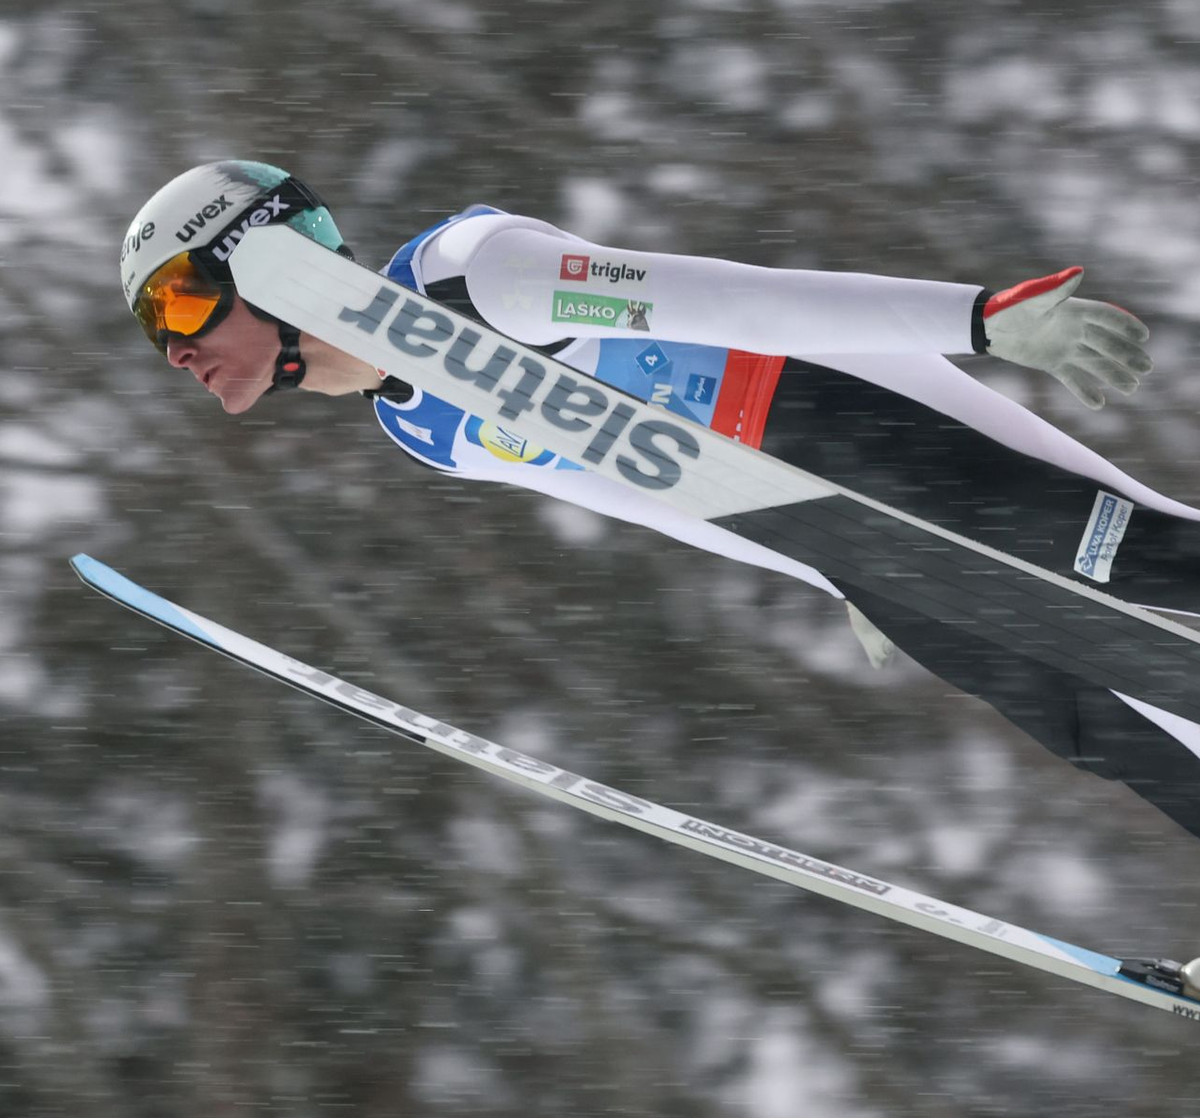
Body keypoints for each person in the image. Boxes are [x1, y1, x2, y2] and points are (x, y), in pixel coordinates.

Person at [120, 159, 1200, 840]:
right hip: (816, 517)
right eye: (150, 329)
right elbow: (662, 497)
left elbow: (733, 295)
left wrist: (973, 318)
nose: (174, 350)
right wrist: (830, 567)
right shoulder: (421, 429)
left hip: (838, 414)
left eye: (177, 301)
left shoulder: (466, 274)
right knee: (1072, 707)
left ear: (257, 253)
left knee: (1135, 570)